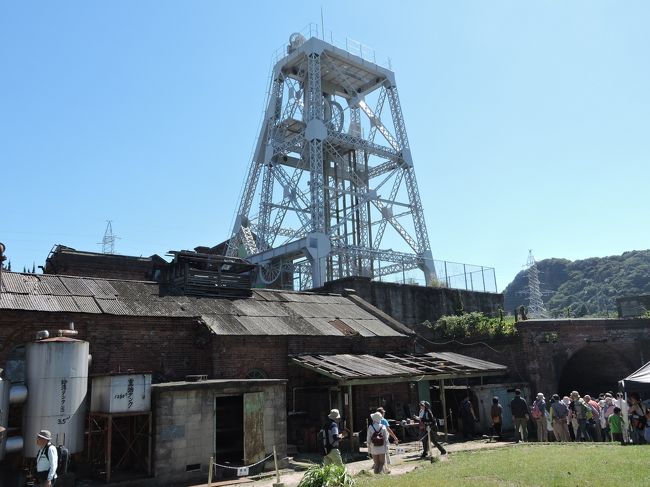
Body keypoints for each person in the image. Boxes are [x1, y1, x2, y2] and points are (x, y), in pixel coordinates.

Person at [376, 407, 398, 473]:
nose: (384, 413)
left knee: (378, 453)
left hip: (376, 439)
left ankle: (379, 467)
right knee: (386, 453)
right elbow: (389, 430)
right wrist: (395, 437)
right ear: (381, 413)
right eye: (383, 412)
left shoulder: (375, 420)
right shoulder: (384, 420)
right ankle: (386, 468)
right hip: (384, 439)